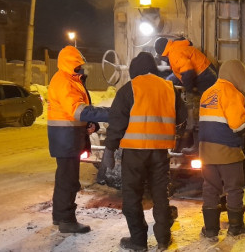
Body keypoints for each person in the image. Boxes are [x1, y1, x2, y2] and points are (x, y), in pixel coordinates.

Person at [104, 52, 187, 251]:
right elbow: (182, 117)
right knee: (160, 196)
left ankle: (139, 242)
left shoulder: (129, 89)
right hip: (160, 153)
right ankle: (163, 239)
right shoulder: (169, 88)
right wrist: (175, 137)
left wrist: (109, 148)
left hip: (134, 153)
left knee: (132, 196)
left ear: (134, 70)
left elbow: (117, 122)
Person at [47, 45, 109, 233]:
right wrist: (109, 113)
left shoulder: (69, 80)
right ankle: (67, 221)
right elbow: (78, 111)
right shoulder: (65, 82)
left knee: (64, 178)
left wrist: (91, 123)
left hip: (66, 138)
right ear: (70, 65)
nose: (82, 68)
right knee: (68, 180)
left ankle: (59, 216)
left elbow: (78, 111)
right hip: (65, 139)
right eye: (78, 65)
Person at [198, 59, 245, 240]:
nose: (243, 81)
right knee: (233, 189)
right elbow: (238, 126)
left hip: (206, 152)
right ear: (235, 74)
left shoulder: (207, 93)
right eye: (243, 77)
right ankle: (236, 227)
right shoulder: (232, 92)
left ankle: (211, 229)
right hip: (227, 152)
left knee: (210, 188)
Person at [154, 37, 218, 154]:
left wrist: (189, 92)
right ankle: (198, 146)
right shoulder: (177, 47)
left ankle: (198, 148)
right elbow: (181, 73)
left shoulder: (174, 54)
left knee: (196, 113)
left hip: (205, 81)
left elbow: (188, 72)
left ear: (162, 53)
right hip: (208, 76)